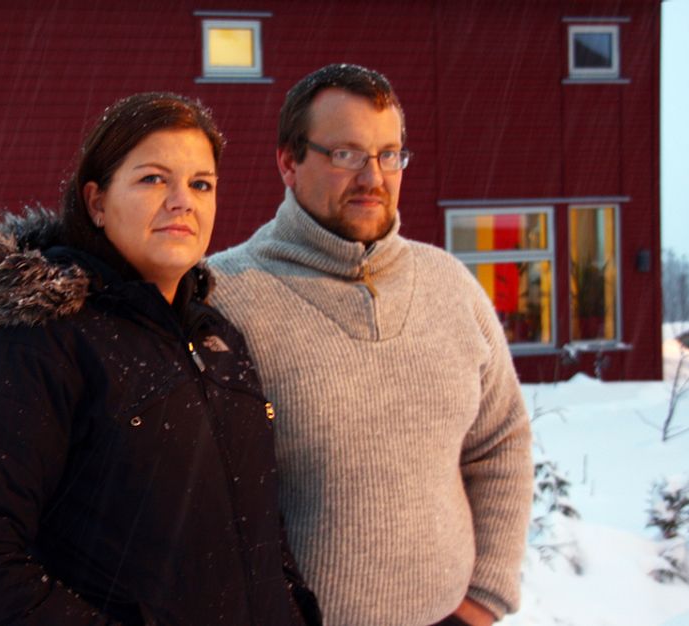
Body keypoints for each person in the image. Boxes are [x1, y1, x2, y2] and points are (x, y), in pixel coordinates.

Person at [0, 92, 320, 626]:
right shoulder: (39, 349)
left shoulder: (219, 340)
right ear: (96, 203)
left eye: (201, 183)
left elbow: (254, 521)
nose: (183, 201)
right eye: (154, 179)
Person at [208, 64, 533, 626]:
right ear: (288, 160)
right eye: (346, 155)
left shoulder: (450, 286)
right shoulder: (222, 298)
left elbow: (501, 441)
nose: (373, 177)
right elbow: (191, 499)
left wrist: (483, 598)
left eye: (389, 154)